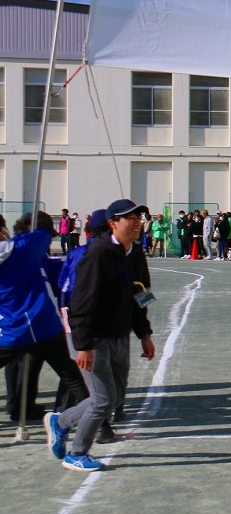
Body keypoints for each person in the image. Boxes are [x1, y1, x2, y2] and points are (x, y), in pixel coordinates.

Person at [45, 199, 158, 473]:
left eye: (138, 217)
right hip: (91, 339)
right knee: (103, 400)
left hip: (119, 335)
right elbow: (81, 304)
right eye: (128, 218)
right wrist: (83, 345)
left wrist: (144, 334)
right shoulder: (98, 255)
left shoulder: (136, 254)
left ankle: (59, 423)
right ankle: (77, 453)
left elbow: (141, 295)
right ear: (113, 223)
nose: (135, 222)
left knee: (115, 398)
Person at [1, 213, 88, 429]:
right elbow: (42, 234)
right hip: (43, 325)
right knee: (71, 374)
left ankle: (21, 406)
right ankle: (99, 422)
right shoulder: (24, 247)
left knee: (26, 369)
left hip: (12, 331)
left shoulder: (22, 245)